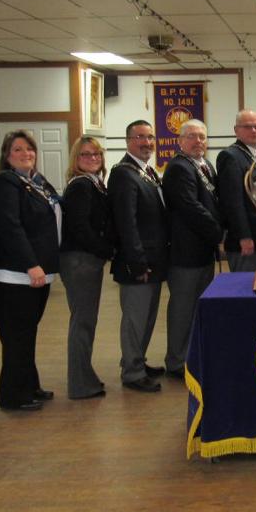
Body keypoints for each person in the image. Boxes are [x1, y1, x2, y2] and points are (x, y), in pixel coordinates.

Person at [0, 130, 61, 412]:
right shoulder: (5, 185)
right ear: (6, 156)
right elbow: (10, 228)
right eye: (17, 150)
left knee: (27, 333)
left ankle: (29, 384)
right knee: (17, 336)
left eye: (29, 149)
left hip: (37, 274)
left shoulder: (35, 183)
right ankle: (13, 396)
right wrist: (31, 263)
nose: (25, 153)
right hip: (15, 275)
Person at [107, 120, 169, 393]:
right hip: (138, 262)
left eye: (150, 137)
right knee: (134, 318)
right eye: (140, 137)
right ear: (128, 141)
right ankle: (132, 372)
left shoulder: (147, 172)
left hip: (155, 260)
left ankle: (138, 361)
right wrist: (137, 261)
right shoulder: (123, 173)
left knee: (147, 317)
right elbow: (126, 223)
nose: (147, 143)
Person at [163, 119, 224, 379]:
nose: (198, 141)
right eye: (191, 137)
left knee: (198, 308)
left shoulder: (205, 165)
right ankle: (176, 361)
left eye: (202, 137)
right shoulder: (178, 168)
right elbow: (190, 208)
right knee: (182, 309)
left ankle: (191, 356)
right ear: (180, 141)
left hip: (202, 252)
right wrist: (218, 232)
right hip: (185, 254)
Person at [60, 136, 113, 400]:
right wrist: (108, 251)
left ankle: (84, 376)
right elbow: (80, 228)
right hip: (80, 260)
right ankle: (80, 384)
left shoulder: (94, 184)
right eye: (85, 155)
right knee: (82, 322)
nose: (93, 158)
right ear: (75, 159)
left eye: (97, 154)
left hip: (87, 259)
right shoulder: (81, 186)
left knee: (85, 321)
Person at [216, 109, 256, 272]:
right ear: (236, 130)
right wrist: (244, 236)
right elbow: (232, 202)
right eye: (247, 127)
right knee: (247, 291)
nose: (253, 131)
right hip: (246, 242)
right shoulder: (231, 156)